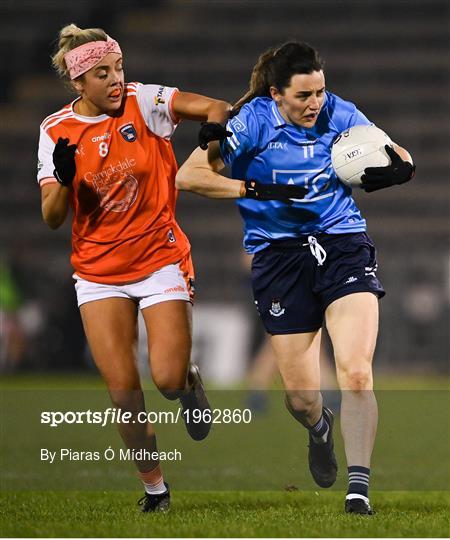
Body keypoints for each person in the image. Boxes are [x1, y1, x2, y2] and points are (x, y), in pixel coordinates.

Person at [175, 41, 415, 515]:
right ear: (276, 94)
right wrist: (255, 186)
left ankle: (358, 490)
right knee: (302, 400)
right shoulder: (252, 122)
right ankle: (319, 429)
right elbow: (189, 176)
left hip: (342, 243)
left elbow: (393, 149)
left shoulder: (337, 111)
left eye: (320, 92)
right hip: (279, 257)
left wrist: (397, 167)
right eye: (304, 96)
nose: (316, 104)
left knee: (356, 370)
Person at [37, 23, 232, 513]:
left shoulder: (144, 102)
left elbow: (216, 108)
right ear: (78, 84)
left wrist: (213, 138)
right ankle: (155, 490)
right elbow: (52, 218)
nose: (116, 80)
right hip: (98, 273)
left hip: (158, 259)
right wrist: (62, 178)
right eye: (102, 74)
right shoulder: (54, 131)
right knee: (124, 392)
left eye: (119, 68)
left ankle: (188, 384)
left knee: (165, 379)